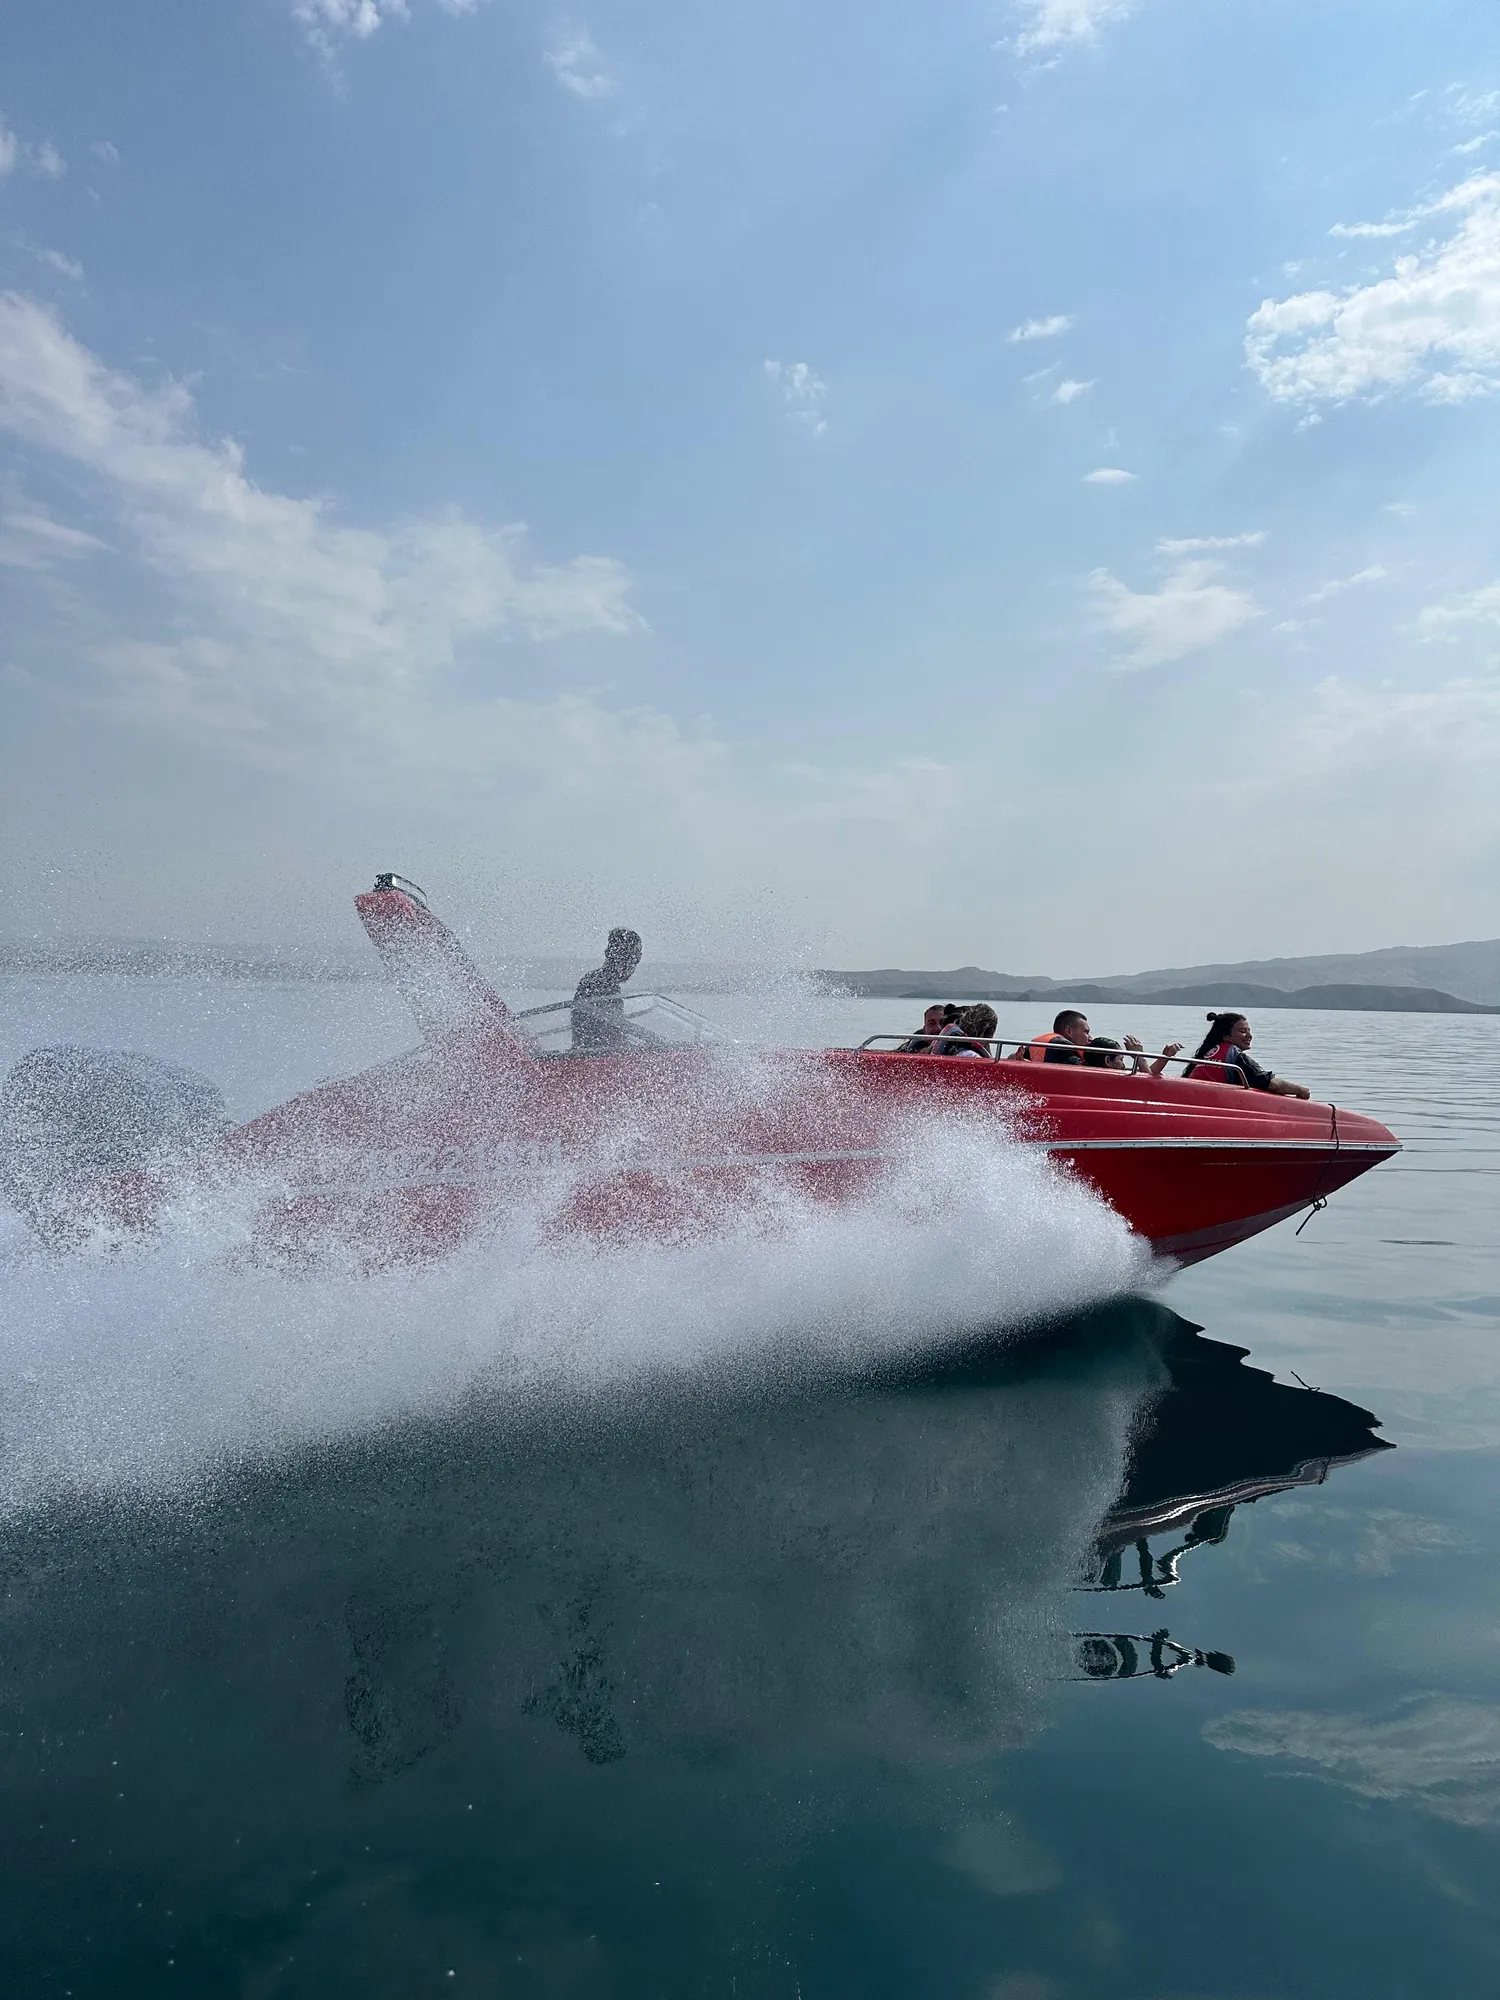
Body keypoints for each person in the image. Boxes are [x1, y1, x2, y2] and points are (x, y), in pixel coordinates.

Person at [1183, 1012, 1310, 1098]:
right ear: (1226, 1036)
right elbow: (1271, 1084)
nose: (1249, 1036)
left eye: (1249, 1031)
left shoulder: (1206, 1054)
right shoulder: (1235, 1056)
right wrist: (1300, 1090)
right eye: (1243, 1031)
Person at [571, 927, 643, 1054]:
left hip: (595, 1057)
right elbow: (605, 1036)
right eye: (632, 958)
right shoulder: (600, 985)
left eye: (637, 958)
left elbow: (611, 1032)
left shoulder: (600, 982)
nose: (634, 964)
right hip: (594, 1060)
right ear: (613, 955)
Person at [1011, 1007, 1091, 1064]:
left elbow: (1012, 1057)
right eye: (1086, 1032)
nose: (1090, 1038)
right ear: (1069, 1031)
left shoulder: (1038, 1045)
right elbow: (1083, 1066)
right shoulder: (1062, 1048)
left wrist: (1024, 1062)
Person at [1086, 1034, 1185, 1078]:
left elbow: (1147, 1074)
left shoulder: (1092, 1074)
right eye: (1121, 1059)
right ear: (1108, 1061)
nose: (1123, 1065)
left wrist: (1165, 1057)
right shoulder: (1112, 1079)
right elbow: (1149, 1084)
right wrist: (1139, 1057)